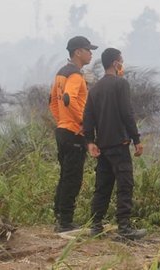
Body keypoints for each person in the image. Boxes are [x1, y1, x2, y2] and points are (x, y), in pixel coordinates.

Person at [83, 48, 146, 240]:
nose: (122, 64)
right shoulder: (121, 84)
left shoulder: (95, 89)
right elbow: (127, 113)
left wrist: (90, 142)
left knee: (103, 186)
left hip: (102, 146)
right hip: (119, 144)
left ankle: (96, 225)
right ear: (115, 63)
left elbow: (88, 118)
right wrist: (136, 139)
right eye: (121, 61)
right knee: (125, 184)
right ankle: (124, 227)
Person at [49, 36, 97, 232]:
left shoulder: (61, 73)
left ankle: (60, 217)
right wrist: (83, 123)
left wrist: (62, 120)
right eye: (88, 49)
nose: (91, 53)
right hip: (73, 132)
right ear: (78, 52)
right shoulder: (76, 75)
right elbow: (69, 98)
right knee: (73, 177)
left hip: (62, 130)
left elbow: (52, 101)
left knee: (65, 175)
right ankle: (66, 222)